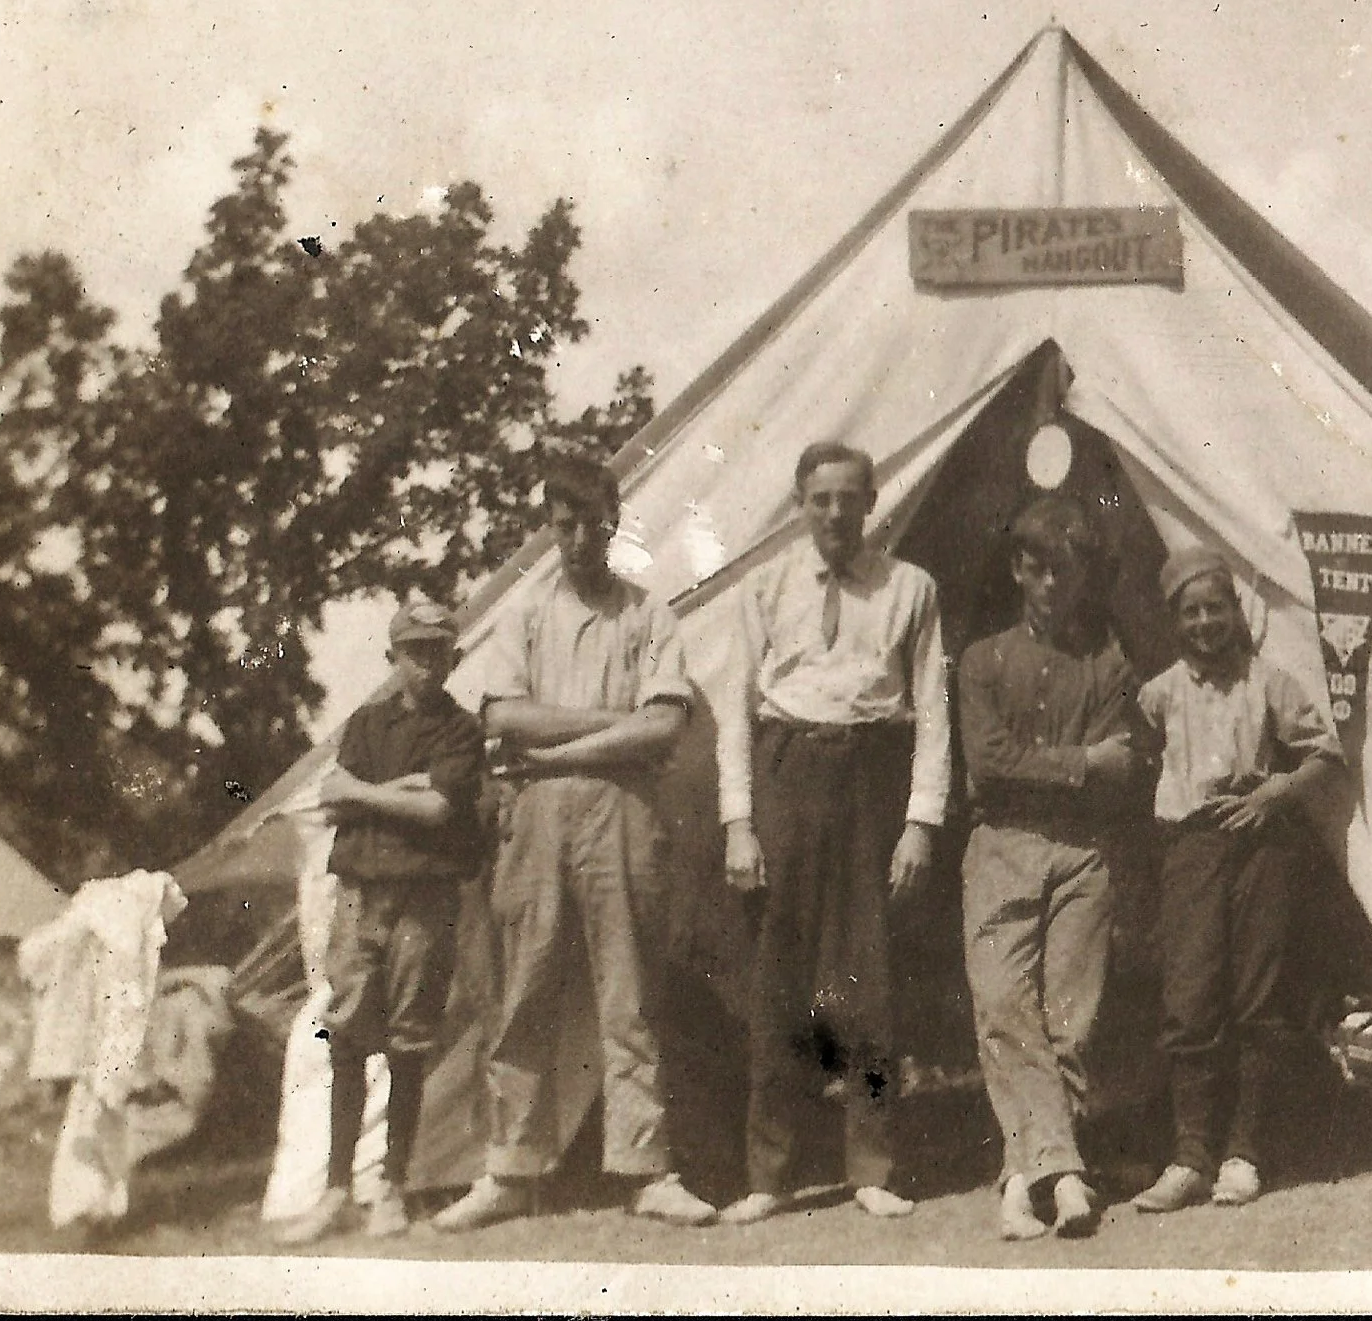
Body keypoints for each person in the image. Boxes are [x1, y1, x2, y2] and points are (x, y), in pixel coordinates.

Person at [432, 457, 716, 1232]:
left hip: (623, 814)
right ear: (551, 527)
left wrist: (560, 743)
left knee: (630, 995)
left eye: (595, 520)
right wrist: (607, 723)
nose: (581, 536)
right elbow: (503, 720)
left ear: (615, 521)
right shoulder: (525, 615)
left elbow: (665, 724)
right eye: (565, 523)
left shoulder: (650, 614)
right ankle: (511, 1168)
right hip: (537, 820)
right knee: (523, 988)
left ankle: (647, 1168)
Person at [715, 442, 951, 1225]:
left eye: (849, 497)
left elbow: (933, 714)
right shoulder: (764, 586)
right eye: (820, 498)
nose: (835, 513)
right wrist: (740, 822)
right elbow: (736, 716)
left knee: (868, 978)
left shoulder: (910, 586)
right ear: (799, 502)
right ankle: (769, 1174)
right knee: (778, 982)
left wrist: (920, 821)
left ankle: (872, 1166)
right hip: (786, 776)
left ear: (872, 500)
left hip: (871, 778)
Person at [1129, 546, 1343, 1214]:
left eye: (1214, 607)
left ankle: (1244, 1152)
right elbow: (1136, 765)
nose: (1204, 623)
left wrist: (1272, 795)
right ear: (1175, 619)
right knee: (1190, 996)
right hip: (1188, 849)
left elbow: (1325, 754)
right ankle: (1189, 1154)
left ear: (1234, 610)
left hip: (1258, 847)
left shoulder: (1268, 680)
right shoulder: (1158, 692)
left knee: (1257, 996)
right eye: (1190, 612)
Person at [955, 497, 1141, 1241]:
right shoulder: (983, 659)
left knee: (1070, 1019)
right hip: (1001, 845)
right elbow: (988, 765)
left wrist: (1065, 768)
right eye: (1037, 567)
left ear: (1084, 573)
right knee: (1004, 1006)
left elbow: (1120, 766)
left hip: (1080, 850)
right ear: (1017, 570)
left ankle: (1019, 1182)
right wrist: (1078, 762)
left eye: (1065, 568)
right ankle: (1064, 1174)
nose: (1051, 582)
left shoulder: (1107, 661)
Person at [276, 599, 486, 1244]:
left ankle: (389, 1188)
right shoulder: (366, 724)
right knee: (344, 1036)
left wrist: (379, 796)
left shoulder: (460, 731)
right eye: (414, 650)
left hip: (425, 900)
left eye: (438, 651)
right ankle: (338, 1190)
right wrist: (406, 791)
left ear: (453, 656)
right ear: (392, 654)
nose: (426, 663)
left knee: (409, 1041)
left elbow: (441, 810)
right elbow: (332, 797)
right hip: (362, 895)